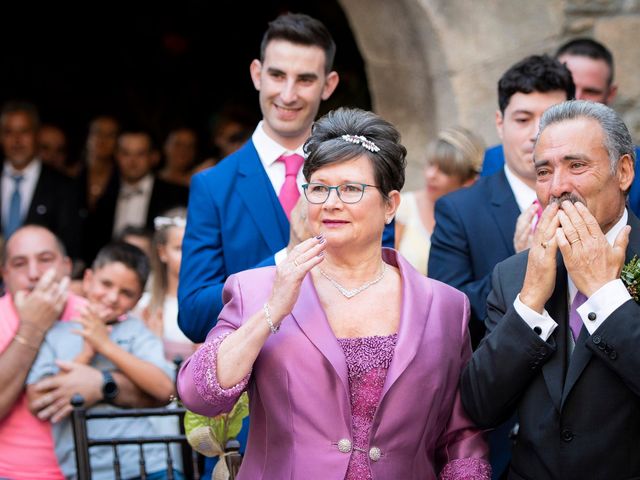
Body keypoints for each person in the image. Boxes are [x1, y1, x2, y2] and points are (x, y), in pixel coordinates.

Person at [178, 108, 490, 479]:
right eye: (320, 188)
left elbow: (459, 434)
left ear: (390, 205)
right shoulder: (257, 287)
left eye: (351, 189)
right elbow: (200, 395)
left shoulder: (445, 306)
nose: (331, 202)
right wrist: (271, 312)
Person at [179, 13, 397, 343]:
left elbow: (385, 288)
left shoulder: (363, 177)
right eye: (278, 75)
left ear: (329, 85)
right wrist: (288, 257)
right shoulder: (213, 186)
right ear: (257, 75)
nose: (288, 94)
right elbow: (194, 315)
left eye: (305, 80)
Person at [461, 100, 640, 479]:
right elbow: (479, 406)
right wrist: (528, 305)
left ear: (623, 171)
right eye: (544, 171)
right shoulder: (513, 276)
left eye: (576, 166)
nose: (558, 187)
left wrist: (606, 296)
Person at [429, 55, 574, 345]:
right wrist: (522, 265)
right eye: (523, 119)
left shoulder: (599, 200)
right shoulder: (458, 210)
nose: (536, 134)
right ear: (500, 122)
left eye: (550, 119)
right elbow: (448, 315)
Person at [0, 225, 159, 478]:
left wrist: (103, 384)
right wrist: (33, 327)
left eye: (45, 260)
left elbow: (159, 393)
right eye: (20, 263)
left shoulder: (103, 310)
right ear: (5, 273)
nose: (33, 273)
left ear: (66, 266)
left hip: (91, 470)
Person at [482, 38, 640, 215]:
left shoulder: (630, 166)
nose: (579, 100)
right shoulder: (490, 163)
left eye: (578, 165)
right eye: (522, 119)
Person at [87, 129, 189, 264]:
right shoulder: (102, 193)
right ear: (117, 155)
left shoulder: (175, 194)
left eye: (140, 154)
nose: (132, 161)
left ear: (153, 157)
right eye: (126, 153)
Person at [0, 101, 82, 261]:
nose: (17, 140)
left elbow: (71, 246)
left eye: (24, 131)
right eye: (9, 132)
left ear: (37, 135)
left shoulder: (63, 187)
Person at [395, 126, 483, 274]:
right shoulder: (403, 207)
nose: (430, 175)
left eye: (444, 170)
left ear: (468, 180)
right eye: (430, 164)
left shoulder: (477, 217)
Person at [137, 208, 197, 361]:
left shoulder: (212, 306)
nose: (188, 256)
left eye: (195, 248)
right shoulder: (145, 306)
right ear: (163, 252)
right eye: (179, 248)